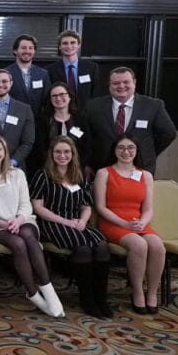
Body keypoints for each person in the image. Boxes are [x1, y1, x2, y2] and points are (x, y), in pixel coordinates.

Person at [0, 134, 64, 317]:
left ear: (5, 152)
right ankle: (33, 293)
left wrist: (18, 219)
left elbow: (26, 204)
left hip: (23, 220)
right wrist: (3, 223)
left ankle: (48, 290)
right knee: (19, 244)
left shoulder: (17, 173)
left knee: (28, 236)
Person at [30, 136, 111, 318]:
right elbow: (37, 207)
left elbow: (86, 206)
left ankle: (101, 298)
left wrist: (83, 221)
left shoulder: (79, 175)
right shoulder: (43, 175)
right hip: (52, 222)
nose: (62, 155)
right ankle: (87, 299)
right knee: (83, 248)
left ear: (72, 154)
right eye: (58, 151)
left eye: (66, 151)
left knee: (102, 245)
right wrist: (65, 222)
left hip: (77, 221)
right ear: (51, 154)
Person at [93, 133, 166, 314]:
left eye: (130, 148)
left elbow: (148, 209)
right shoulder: (104, 173)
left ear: (136, 151)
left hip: (138, 222)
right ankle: (138, 292)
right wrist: (124, 224)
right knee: (139, 245)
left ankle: (153, 293)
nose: (126, 152)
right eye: (121, 148)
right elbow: (100, 207)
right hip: (113, 222)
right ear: (115, 151)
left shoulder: (145, 175)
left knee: (158, 246)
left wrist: (142, 223)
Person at [84, 66, 177, 174]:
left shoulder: (153, 106)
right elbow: (86, 138)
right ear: (109, 85)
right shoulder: (93, 106)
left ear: (134, 82)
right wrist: (87, 163)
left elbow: (169, 133)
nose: (121, 86)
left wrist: (146, 152)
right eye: (116, 83)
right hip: (102, 168)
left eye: (126, 82)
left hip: (140, 168)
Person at [33, 82, 92, 174]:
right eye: (54, 96)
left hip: (77, 169)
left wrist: (84, 165)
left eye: (62, 94)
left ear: (69, 97)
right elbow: (40, 147)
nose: (58, 98)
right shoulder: (42, 120)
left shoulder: (81, 119)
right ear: (50, 99)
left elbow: (87, 145)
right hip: (50, 169)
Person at [46, 29, 100, 106]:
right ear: (59, 47)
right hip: (62, 113)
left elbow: (96, 93)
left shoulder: (92, 68)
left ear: (78, 45)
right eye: (65, 43)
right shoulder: (50, 70)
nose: (69, 46)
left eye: (73, 43)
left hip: (86, 113)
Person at [7, 34, 50, 115]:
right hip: (13, 120)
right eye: (23, 48)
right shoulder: (5, 73)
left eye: (31, 48)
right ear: (15, 51)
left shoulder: (43, 74)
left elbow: (47, 100)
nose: (27, 51)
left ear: (34, 51)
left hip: (37, 122)